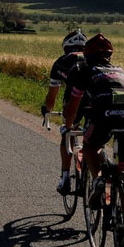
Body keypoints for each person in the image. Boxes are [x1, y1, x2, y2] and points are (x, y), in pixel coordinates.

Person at [61, 34, 124, 210]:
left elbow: (73, 105)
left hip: (104, 114)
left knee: (89, 146)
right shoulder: (121, 70)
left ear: (86, 54)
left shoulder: (82, 69)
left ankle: (98, 180)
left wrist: (68, 127)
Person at [41, 28, 88, 194]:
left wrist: (46, 110)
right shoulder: (95, 58)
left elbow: (52, 96)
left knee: (67, 133)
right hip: (98, 99)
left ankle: (65, 178)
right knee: (94, 137)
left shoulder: (61, 62)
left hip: (75, 100)